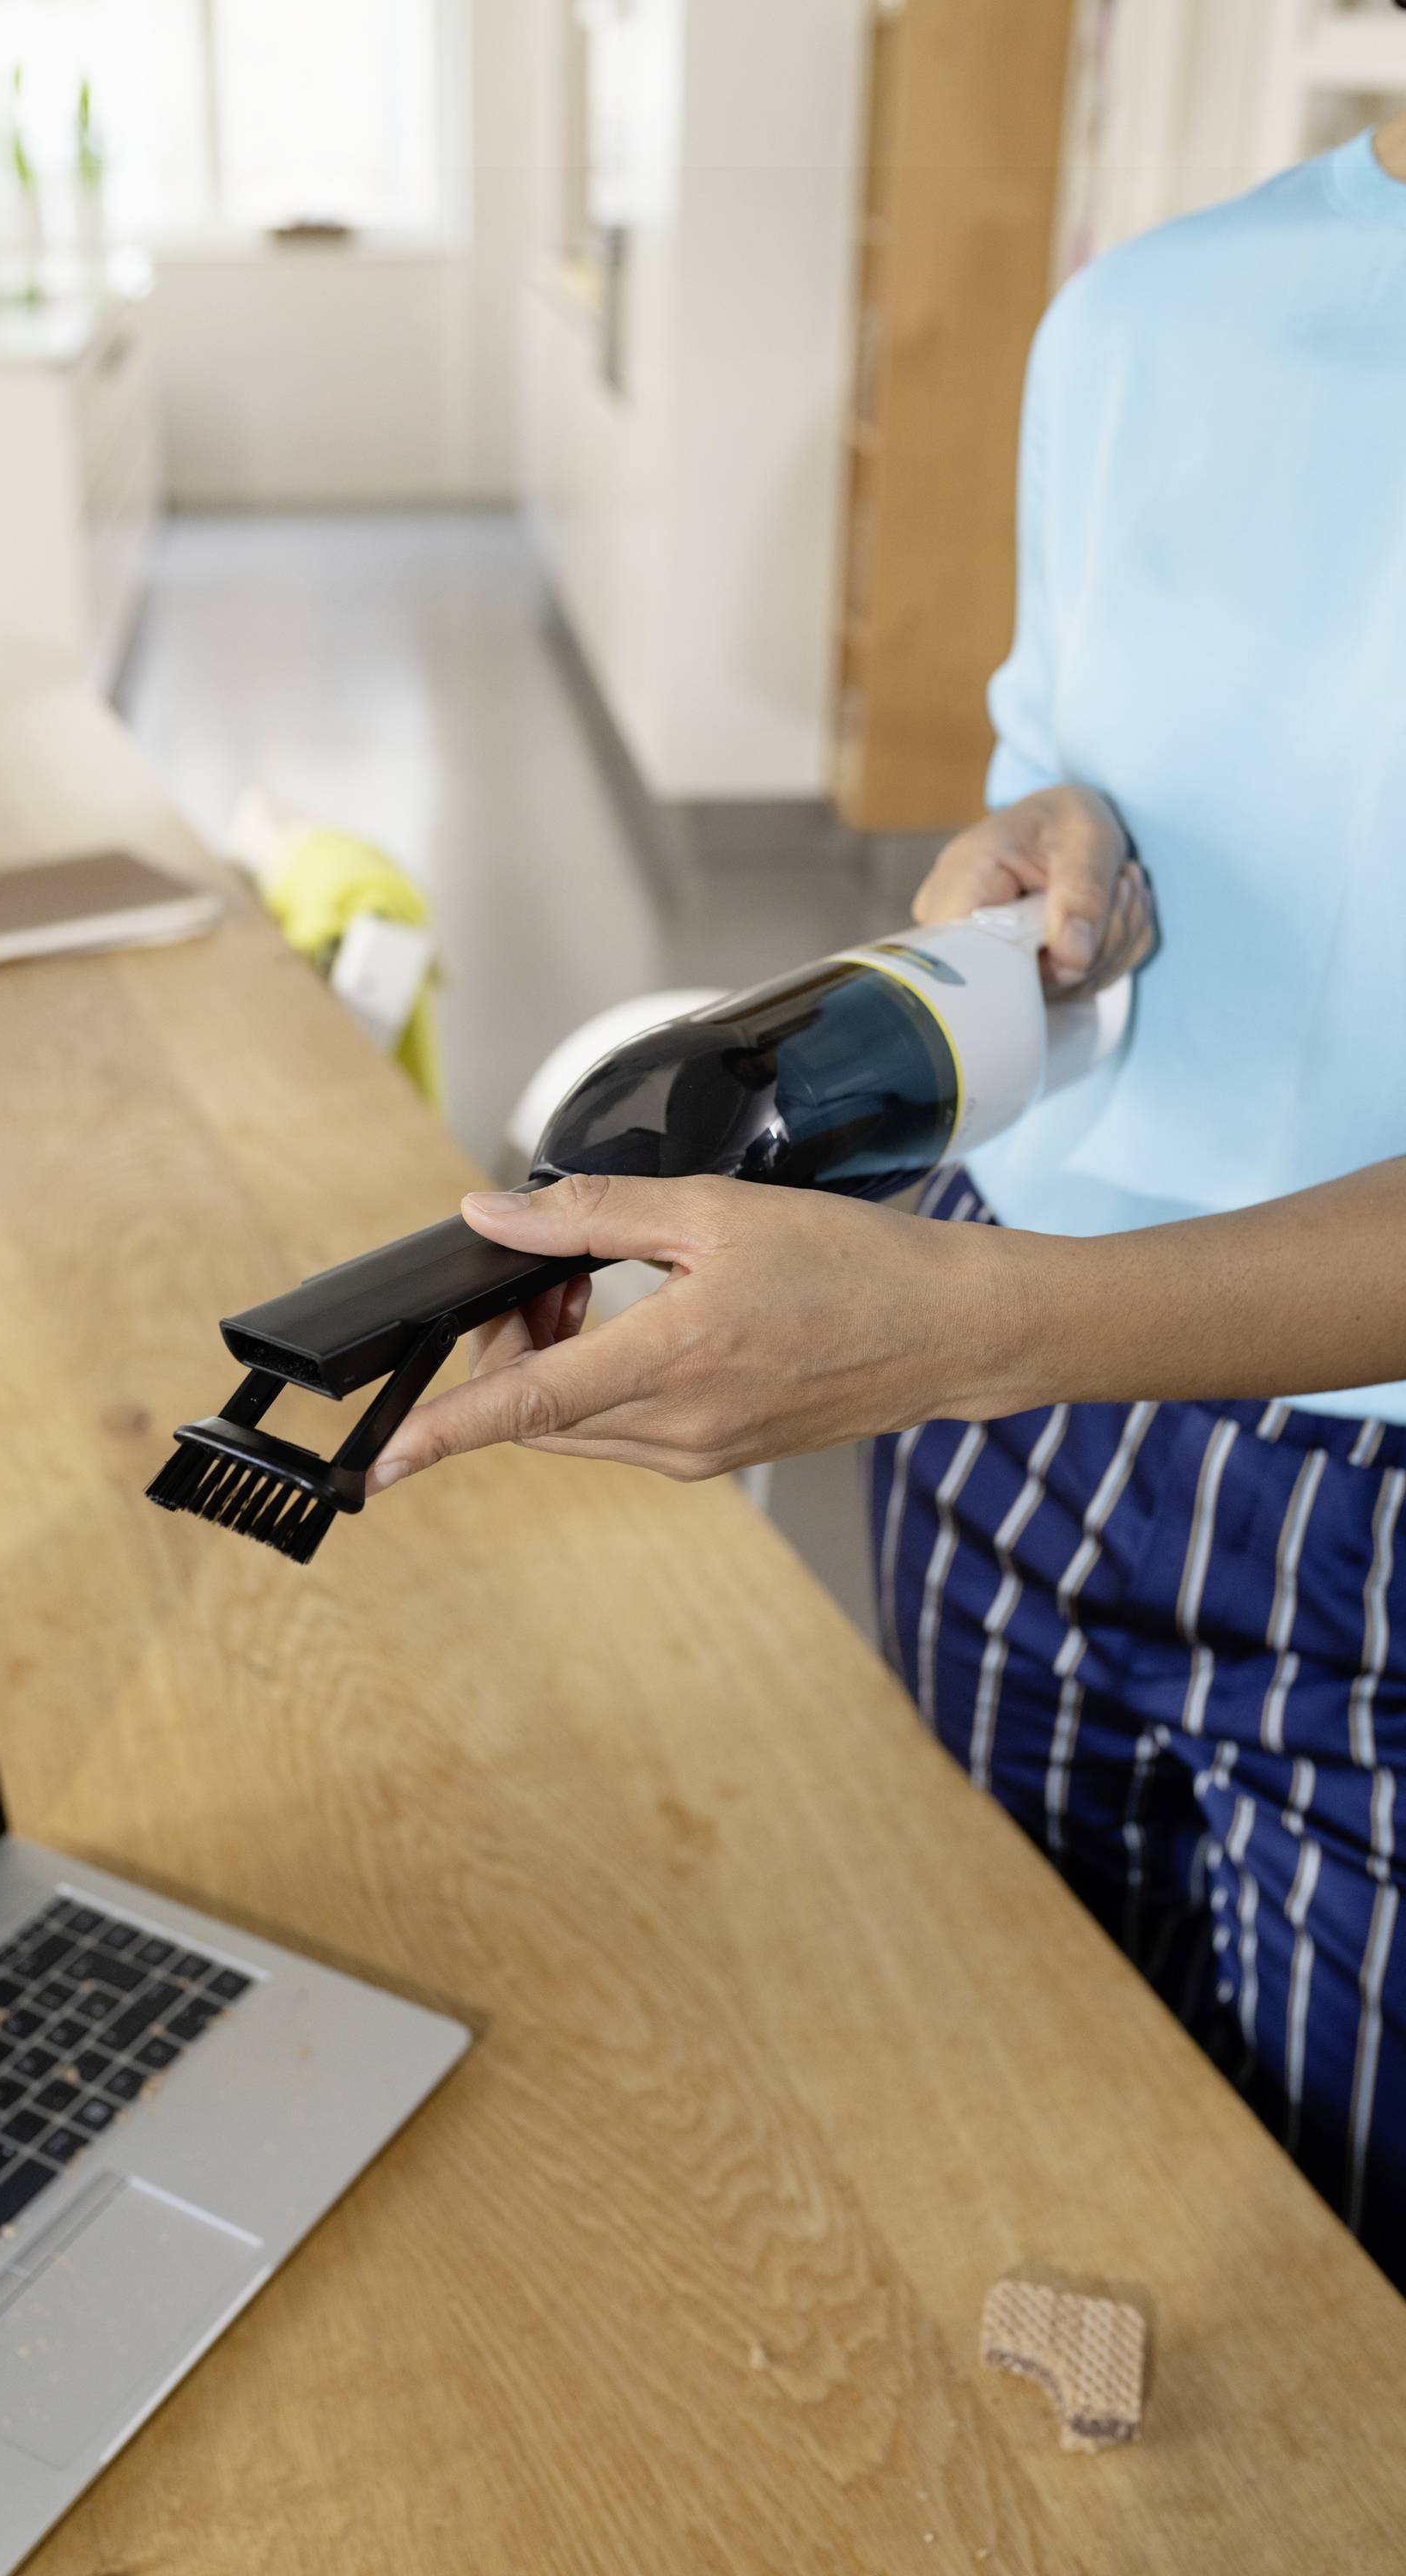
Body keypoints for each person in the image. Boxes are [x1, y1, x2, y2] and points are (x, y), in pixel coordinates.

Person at [368, 121, 1406, 2281]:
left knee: (1334, 2306)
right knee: (984, 2135)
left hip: (1330, 1506)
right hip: (996, 1448)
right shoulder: (1146, 312)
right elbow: (1057, 790)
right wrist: (1026, 863)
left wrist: (975, 1331)